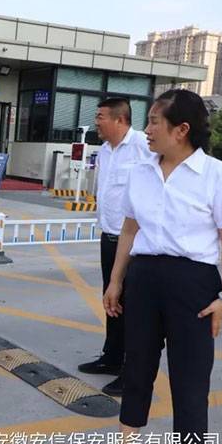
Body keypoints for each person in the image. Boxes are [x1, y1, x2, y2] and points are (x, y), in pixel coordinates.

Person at [88, 89, 222, 444]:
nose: (147, 129)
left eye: (154, 121)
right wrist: (116, 281)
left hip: (193, 283)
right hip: (143, 278)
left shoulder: (218, 176)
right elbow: (129, 229)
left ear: (181, 130)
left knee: (190, 379)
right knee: (136, 367)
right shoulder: (141, 172)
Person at [78, 97, 151, 397]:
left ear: (120, 120)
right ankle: (111, 357)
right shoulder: (105, 151)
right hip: (109, 237)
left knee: (133, 307)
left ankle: (130, 371)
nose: (96, 122)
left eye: (101, 117)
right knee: (112, 299)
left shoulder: (143, 146)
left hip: (135, 241)